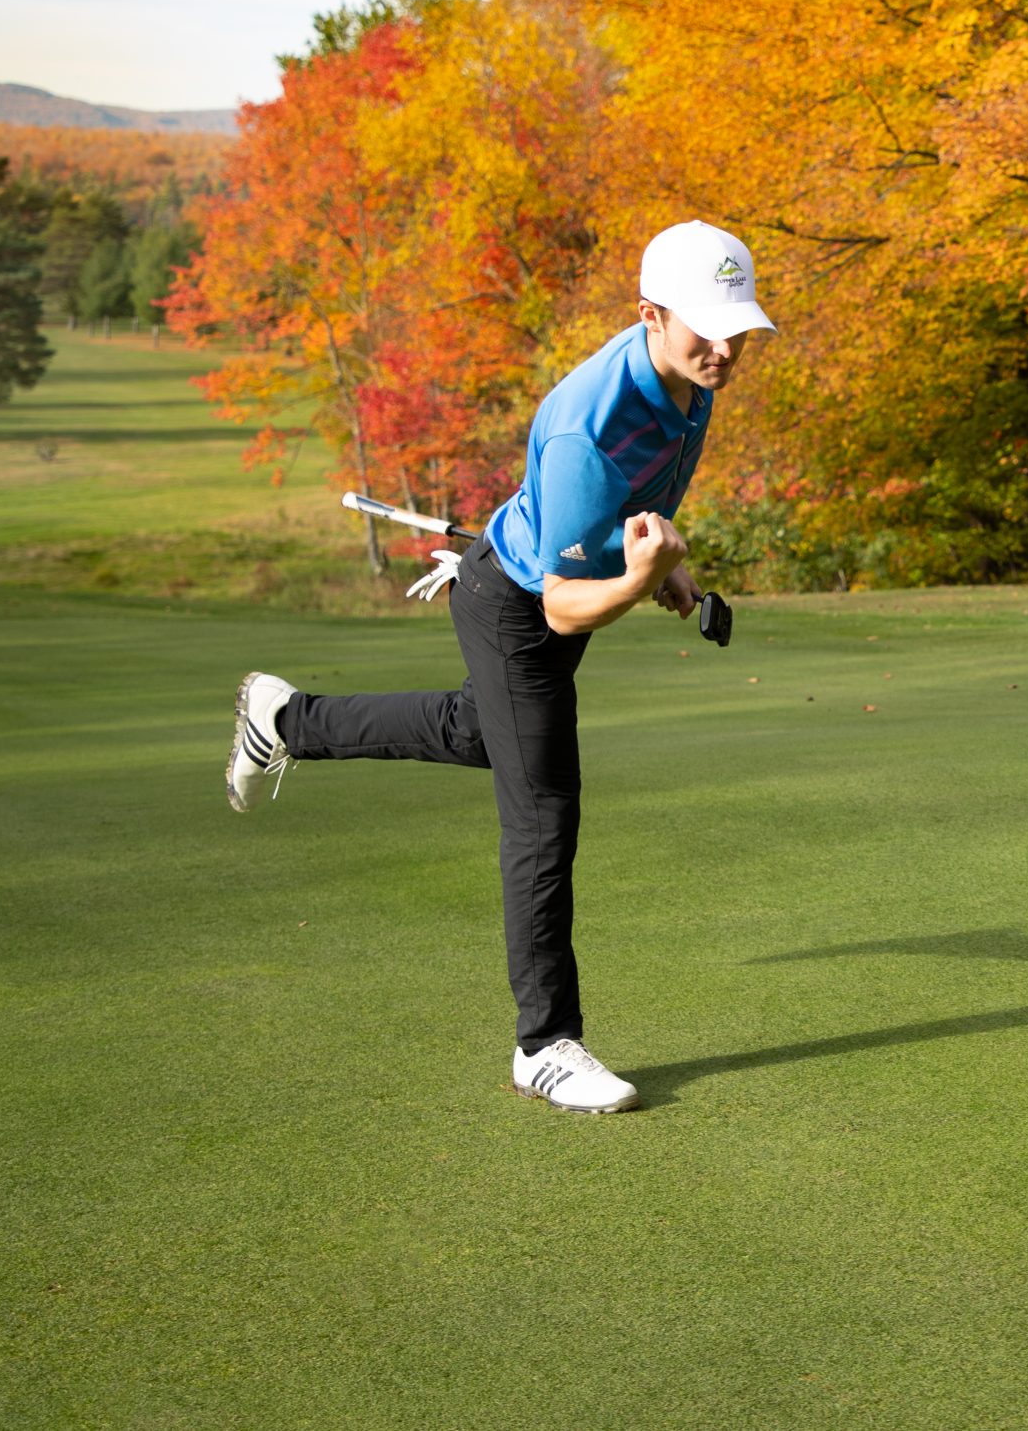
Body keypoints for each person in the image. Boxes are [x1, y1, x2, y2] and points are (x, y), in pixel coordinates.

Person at [222, 220, 774, 1113]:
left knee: (479, 731)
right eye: (705, 327)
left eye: (737, 325)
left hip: (535, 583)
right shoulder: (583, 431)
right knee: (544, 809)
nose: (725, 347)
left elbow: (635, 496)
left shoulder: (692, 374)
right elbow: (560, 605)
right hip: (519, 608)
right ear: (649, 314)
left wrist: (668, 567)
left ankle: (285, 718)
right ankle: (544, 1043)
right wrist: (637, 578)